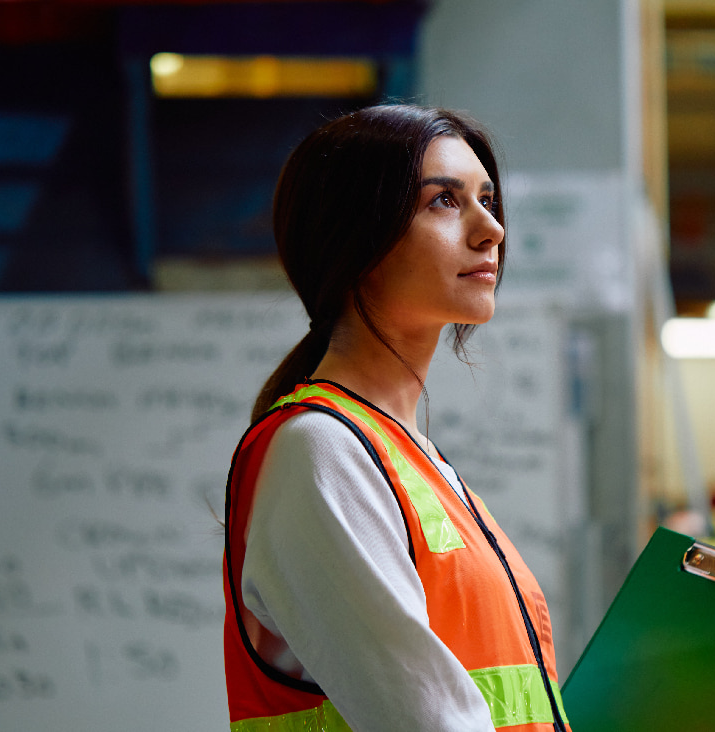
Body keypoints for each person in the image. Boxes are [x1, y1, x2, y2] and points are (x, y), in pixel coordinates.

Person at [222, 105, 570, 732]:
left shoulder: (407, 456)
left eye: (487, 199)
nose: (490, 229)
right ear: (356, 239)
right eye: (444, 201)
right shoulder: (319, 450)